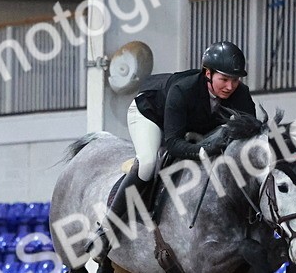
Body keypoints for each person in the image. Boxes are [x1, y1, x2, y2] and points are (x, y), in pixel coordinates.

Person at [84, 41, 257, 260]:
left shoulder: (240, 95)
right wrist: (205, 149)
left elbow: (250, 134)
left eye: (235, 80)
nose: (230, 87)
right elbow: (173, 142)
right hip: (150, 114)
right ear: (208, 73)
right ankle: (106, 232)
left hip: (193, 125)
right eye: (224, 79)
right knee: (147, 163)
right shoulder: (183, 90)